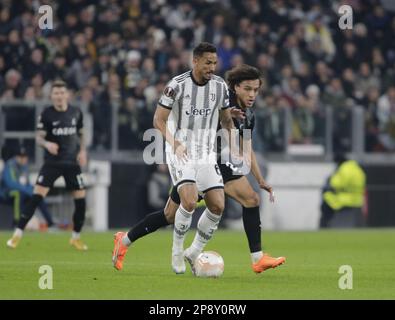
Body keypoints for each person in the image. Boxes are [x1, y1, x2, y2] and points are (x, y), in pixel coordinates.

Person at [112, 64, 286, 274]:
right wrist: (224, 115)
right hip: (193, 159)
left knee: (248, 200)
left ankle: (252, 257)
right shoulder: (217, 96)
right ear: (235, 87)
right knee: (172, 214)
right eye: (247, 89)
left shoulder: (249, 116)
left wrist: (260, 180)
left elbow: (246, 148)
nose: (252, 94)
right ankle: (131, 241)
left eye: (256, 90)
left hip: (217, 163)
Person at [114, 42, 237, 274]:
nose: (212, 67)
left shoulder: (220, 87)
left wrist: (234, 136)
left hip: (206, 154)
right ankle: (178, 252)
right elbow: (158, 121)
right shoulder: (176, 86)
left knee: (208, 207)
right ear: (195, 61)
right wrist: (175, 143)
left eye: (215, 63)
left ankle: (187, 251)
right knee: (189, 202)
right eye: (208, 62)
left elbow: (225, 119)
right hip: (180, 151)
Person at [6, 80, 89, 250]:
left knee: (81, 202)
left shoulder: (76, 112)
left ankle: (75, 238)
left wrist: (82, 151)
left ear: (66, 94)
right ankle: (17, 235)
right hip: (53, 163)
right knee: (36, 197)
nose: (59, 96)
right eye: (56, 93)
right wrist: (47, 144)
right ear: (51, 96)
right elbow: (38, 138)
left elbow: (81, 134)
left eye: (61, 92)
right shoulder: (46, 114)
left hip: (72, 163)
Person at [0, 146, 55, 228]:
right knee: (18, 194)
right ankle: (17, 222)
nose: (23, 159)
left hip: (23, 193)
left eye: (24, 157)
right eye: (20, 157)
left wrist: (33, 190)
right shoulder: (10, 165)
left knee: (38, 195)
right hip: (6, 193)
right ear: (16, 157)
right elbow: (10, 183)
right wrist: (28, 190)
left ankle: (50, 223)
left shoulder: (25, 167)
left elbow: (27, 183)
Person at [320, 153, 366, 228]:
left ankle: (325, 226)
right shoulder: (357, 168)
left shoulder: (344, 169)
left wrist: (330, 180)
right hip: (358, 199)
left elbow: (336, 184)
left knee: (326, 197)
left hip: (344, 199)